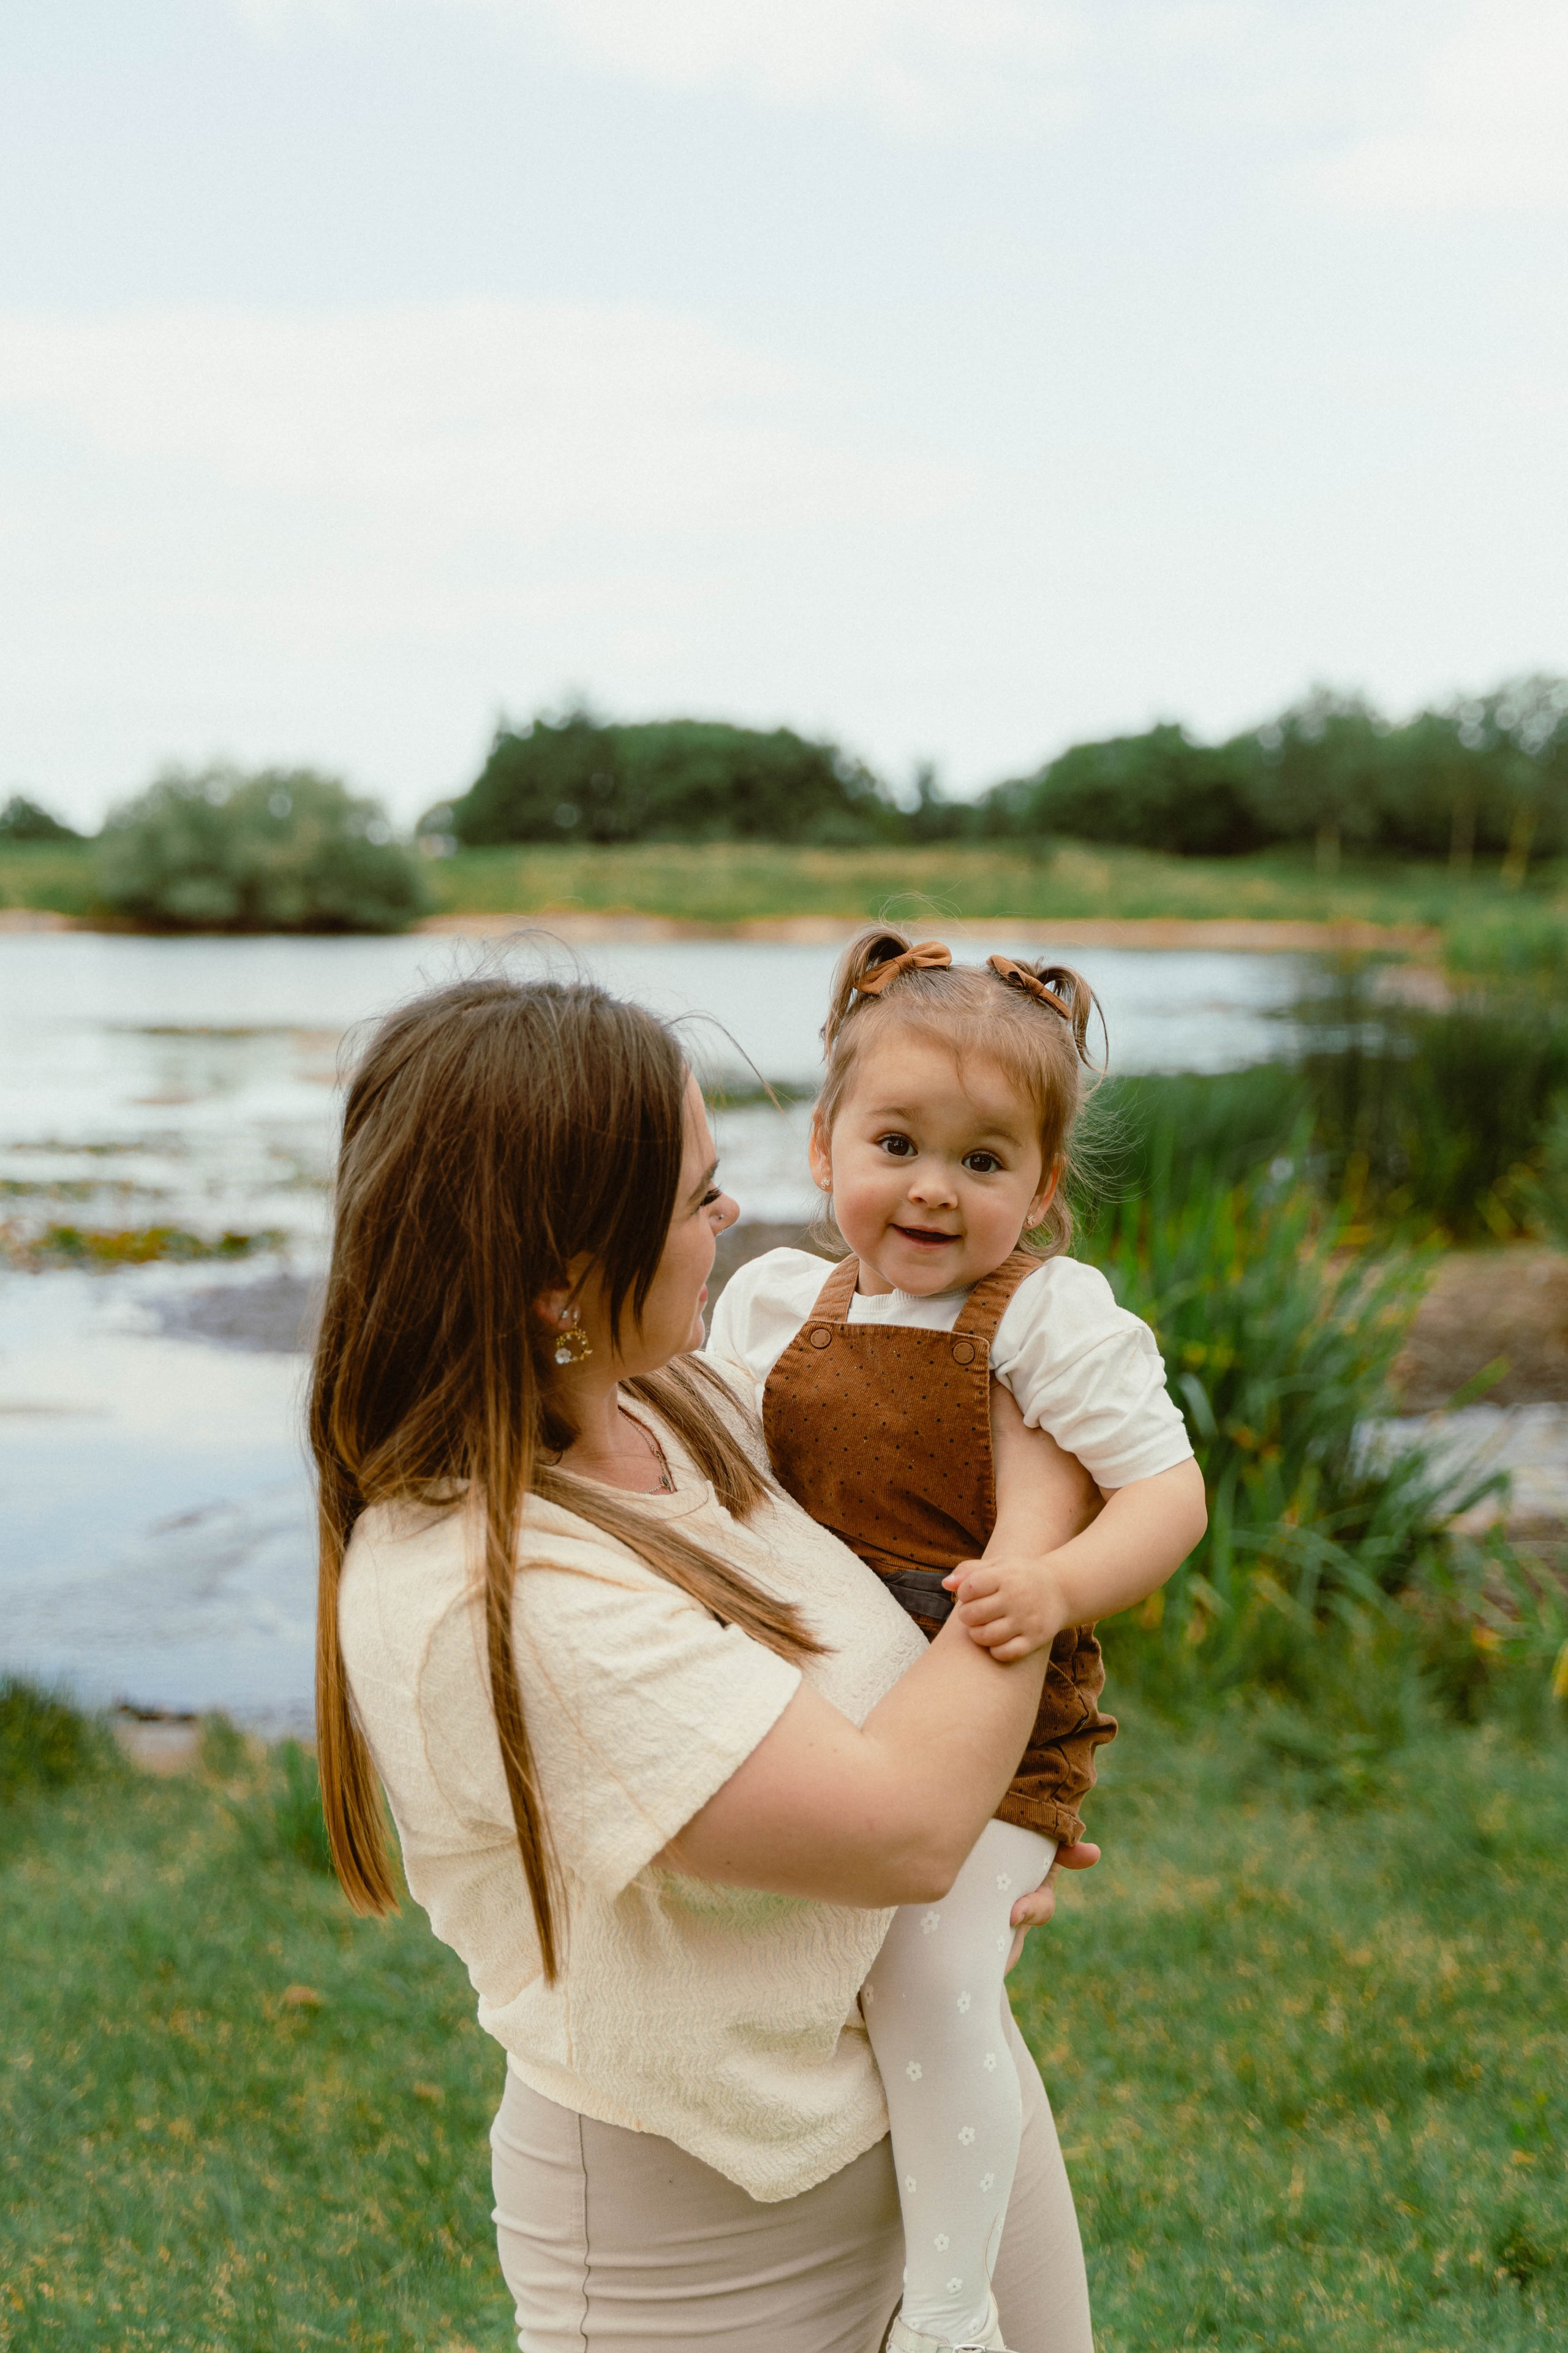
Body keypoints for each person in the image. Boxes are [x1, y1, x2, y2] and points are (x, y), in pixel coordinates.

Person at [310, 972, 1103, 2353]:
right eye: (695, 1197)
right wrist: (1038, 1520)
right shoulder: (484, 1591)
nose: (732, 1218)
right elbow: (903, 1826)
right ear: (562, 1281)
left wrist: (997, 1844)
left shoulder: (681, 1403)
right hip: (702, 2225)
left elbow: (902, 1711)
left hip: (938, 2105)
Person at [709, 927, 1208, 2353]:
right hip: (831, 1698)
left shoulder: (1045, 1317)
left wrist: (1051, 1584)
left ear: (1040, 1190)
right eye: (896, 1143)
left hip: (998, 1711)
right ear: (823, 1148)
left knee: (927, 1974)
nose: (932, 1185)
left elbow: (1167, 1494)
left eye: (982, 1160)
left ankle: (946, 2312)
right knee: (815, 1954)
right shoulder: (771, 1303)